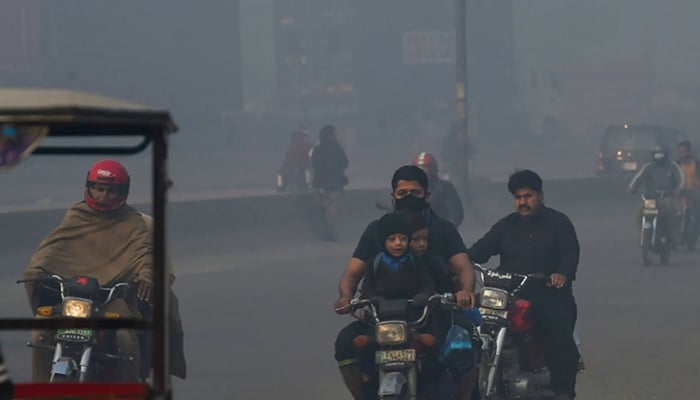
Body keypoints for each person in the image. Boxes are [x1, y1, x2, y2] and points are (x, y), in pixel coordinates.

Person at [336, 165, 478, 399]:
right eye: (402, 194)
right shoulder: (377, 230)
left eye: (415, 193)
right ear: (392, 197)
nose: (408, 199)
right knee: (345, 344)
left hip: (433, 311)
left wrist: (465, 292)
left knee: (467, 340)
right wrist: (345, 296)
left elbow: (463, 267)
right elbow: (352, 273)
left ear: (427, 196)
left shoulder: (442, 229)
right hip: (382, 316)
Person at [24, 159, 153, 382]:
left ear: (123, 192)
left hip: (111, 300)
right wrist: (36, 269)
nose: (104, 195)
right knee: (41, 332)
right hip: (71, 298)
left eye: (111, 190)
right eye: (99, 188)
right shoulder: (76, 215)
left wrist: (146, 275)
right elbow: (51, 250)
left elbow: (143, 254)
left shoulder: (133, 222)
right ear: (89, 187)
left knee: (124, 338)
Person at [468, 169, 580, 400]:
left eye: (528, 196)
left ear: (540, 195)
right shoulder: (505, 226)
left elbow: (570, 253)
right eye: (518, 198)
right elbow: (479, 250)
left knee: (560, 339)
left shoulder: (559, 222)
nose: (523, 202)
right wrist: (462, 263)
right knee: (470, 328)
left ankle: (563, 391)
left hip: (549, 295)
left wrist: (561, 275)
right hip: (508, 297)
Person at [334, 212, 436, 400]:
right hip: (381, 319)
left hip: (411, 318)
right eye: (392, 239)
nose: (398, 243)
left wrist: (423, 296)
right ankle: (366, 374)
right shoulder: (375, 262)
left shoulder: (415, 261)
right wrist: (369, 300)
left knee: (433, 346)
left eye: (403, 238)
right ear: (383, 241)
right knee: (362, 343)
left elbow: (427, 283)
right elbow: (367, 288)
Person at [628, 146, 684, 239]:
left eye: (661, 154)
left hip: (668, 197)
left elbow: (681, 179)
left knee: (674, 213)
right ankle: (643, 234)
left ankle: (673, 234)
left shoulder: (673, 166)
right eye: (657, 154)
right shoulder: (648, 167)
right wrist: (632, 188)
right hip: (651, 198)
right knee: (640, 212)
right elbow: (638, 179)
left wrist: (678, 189)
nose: (659, 156)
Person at [310, 124, 349, 240]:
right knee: (332, 212)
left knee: (324, 210)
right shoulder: (337, 149)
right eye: (334, 134)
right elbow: (345, 163)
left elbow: (315, 165)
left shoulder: (317, 150)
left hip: (321, 185)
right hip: (334, 186)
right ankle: (329, 234)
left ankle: (325, 233)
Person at [413, 152, 464, 227]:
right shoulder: (408, 189)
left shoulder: (445, 188)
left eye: (426, 167)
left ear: (433, 169)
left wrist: (448, 230)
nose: (422, 171)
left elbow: (457, 213)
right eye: (418, 168)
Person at [677, 141, 700, 224]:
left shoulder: (697, 164)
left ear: (689, 152)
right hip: (680, 194)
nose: (683, 154)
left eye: (685, 152)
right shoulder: (676, 165)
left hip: (695, 193)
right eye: (681, 152)